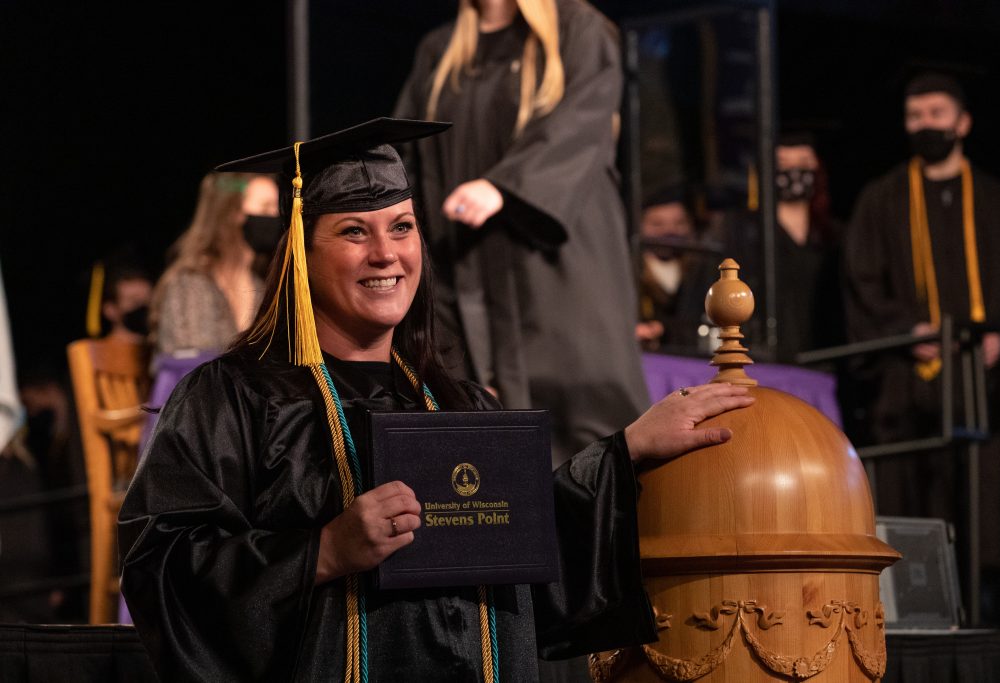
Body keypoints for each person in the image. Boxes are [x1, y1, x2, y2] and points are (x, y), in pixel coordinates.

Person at [117, 118, 754, 682]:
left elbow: (521, 548)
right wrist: (324, 552)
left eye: (402, 227)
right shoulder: (233, 397)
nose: (386, 253)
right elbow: (161, 570)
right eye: (352, 232)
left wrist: (627, 449)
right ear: (300, 257)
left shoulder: (460, 402)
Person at [393, 0, 650, 467]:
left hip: (554, 257)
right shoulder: (442, 48)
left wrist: (505, 186)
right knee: (475, 431)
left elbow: (580, 125)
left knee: (581, 416)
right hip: (463, 265)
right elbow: (410, 152)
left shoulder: (577, 28)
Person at [842, 73, 1000, 622]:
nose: (926, 125)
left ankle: (989, 618)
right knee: (914, 501)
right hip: (907, 381)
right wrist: (906, 329)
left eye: (936, 114)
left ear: (962, 122)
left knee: (985, 507)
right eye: (915, 115)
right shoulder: (882, 198)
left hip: (981, 384)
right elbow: (862, 281)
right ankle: (914, 621)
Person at [149, 172, 278, 358]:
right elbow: (193, 369)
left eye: (276, 209)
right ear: (231, 213)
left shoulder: (260, 287)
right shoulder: (190, 284)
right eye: (266, 208)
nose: (276, 217)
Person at [772, 132, 842, 363]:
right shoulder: (747, 235)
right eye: (783, 164)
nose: (794, 172)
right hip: (769, 363)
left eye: (803, 163)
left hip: (826, 360)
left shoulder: (835, 236)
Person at [634, 184, 719, 354]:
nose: (669, 231)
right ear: (640, 227)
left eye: (679, 223)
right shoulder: (631, 274)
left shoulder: (703, 272)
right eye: (657, 224)